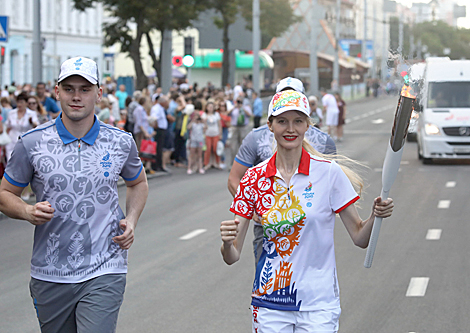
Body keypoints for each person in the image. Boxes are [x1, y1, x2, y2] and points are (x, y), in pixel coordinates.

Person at [220, 89, 394, 332]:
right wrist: (228, 243)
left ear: (307, 126)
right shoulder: (253, 178)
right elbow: (232, 256)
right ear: (270, 126)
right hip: (270, 303)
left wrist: (375, 215)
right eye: (282, 121)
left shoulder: (329, 173)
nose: (290, 129)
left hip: (318, 303)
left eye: (298, 121)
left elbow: (359, 237)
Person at [0, 56, 149, 333]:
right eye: (69, 89)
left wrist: (131, 218)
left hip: (105, 266)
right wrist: (27, 211)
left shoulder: (120, 141)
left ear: (99, 94)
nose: (76, 96)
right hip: (50, 271)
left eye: (85, 89)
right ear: (57, 92)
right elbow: (6, 193)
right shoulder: (32, 143)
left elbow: (138, 182)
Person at [228, 77, 336, 266]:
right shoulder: (256, 138)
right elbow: (235, 179)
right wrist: (251, 210)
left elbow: (333, 188)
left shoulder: (324, 141)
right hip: (267, 227)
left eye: (293, 95)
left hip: (308, 228)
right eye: (283, 96)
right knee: (268, 281)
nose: (290, 129)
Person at [4, 92, 39, 161]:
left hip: (25, 141)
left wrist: (31, 122)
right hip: (12, 140)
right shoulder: (11, 113)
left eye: (22, 102)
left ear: (26, 103)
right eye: (18, 102)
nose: (19, 105)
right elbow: (7, 127)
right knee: (10, 161)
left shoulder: (31, 114)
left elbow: (36, 126)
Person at [150, 95, 169, 172]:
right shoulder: (156, 108)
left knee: (160, 147)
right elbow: (154, 118)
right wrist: (156, 127)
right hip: (159, 129)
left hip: (162, 129)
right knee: (158, 147)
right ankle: (157, 165)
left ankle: (159, 164)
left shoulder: (161, 108)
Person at [203, 101, 222, 170]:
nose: (210, 108)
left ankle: (217, 162)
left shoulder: (216, 114)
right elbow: (204, 126)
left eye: (212, 107)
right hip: (208, 134)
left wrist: (220, 134)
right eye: (209, 107)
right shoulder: (204, 115)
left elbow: (219, 125)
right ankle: (207, 163)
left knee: (215, 149)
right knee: (208, 149)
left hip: (215, 134)